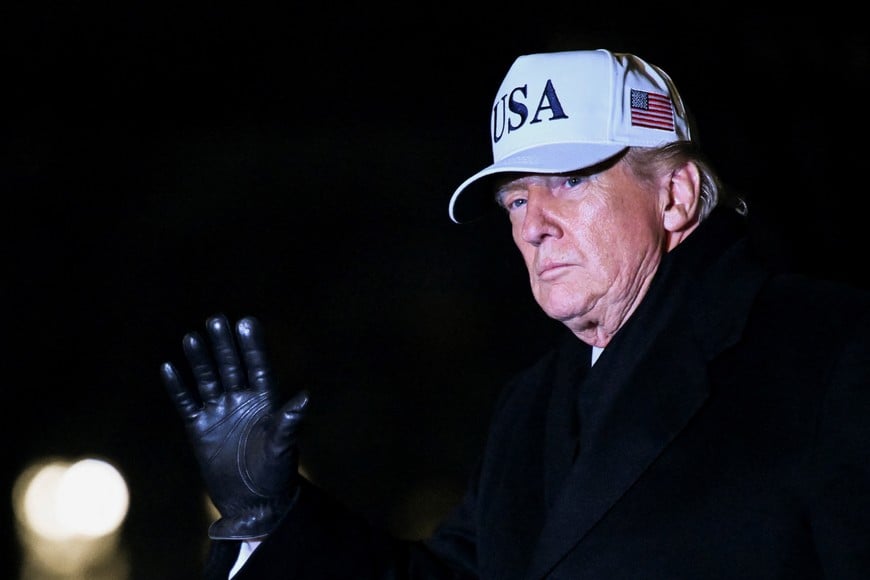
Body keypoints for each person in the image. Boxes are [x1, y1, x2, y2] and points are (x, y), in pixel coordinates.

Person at [159, 49, 870, 579]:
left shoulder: (825, 349)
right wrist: (272, 521)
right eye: (516, 198)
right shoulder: (531, 407)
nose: (535, 222)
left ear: (676, 195)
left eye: (571, 178)